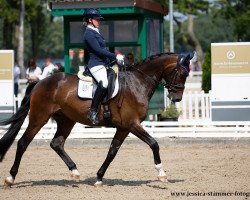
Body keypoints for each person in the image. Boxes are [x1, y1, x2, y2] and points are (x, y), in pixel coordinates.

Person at [83, 8, 124, 124]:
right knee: (104, 83)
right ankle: (93, 111)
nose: (99, 21)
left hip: (103, 63)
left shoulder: (96, 31)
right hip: (95, 64)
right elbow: (98, 50)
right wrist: (115, 56)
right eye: (97, 19)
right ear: (90, 20)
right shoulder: (89, 33)